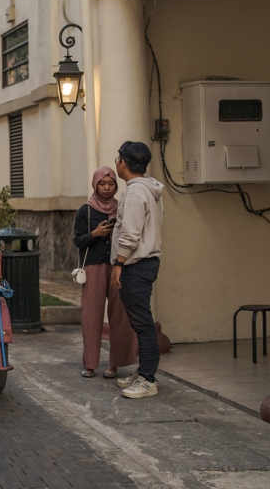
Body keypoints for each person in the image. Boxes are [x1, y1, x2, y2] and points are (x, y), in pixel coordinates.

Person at [110, 141, 165, 399]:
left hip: (136, 264)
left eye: (118, 159)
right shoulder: (148, 190)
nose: (116, 163)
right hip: (145, 263)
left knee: (143, 324)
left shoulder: (134, 194)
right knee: (140, 322)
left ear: (124, 163)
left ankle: (148, 379)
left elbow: (130, 235)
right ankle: (144, 372)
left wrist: (119, 264)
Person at [73, 166, 138, 379]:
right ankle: (90, 364)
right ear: (95, 184)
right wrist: (95, 233)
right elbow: (78, 240)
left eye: (111, 184)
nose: (107, 188)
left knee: (120, 315)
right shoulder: (86, 210)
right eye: (103, 184)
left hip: (118, 265)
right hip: (94, 266)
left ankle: (115, 364)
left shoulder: (121, 208)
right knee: (91, 315)